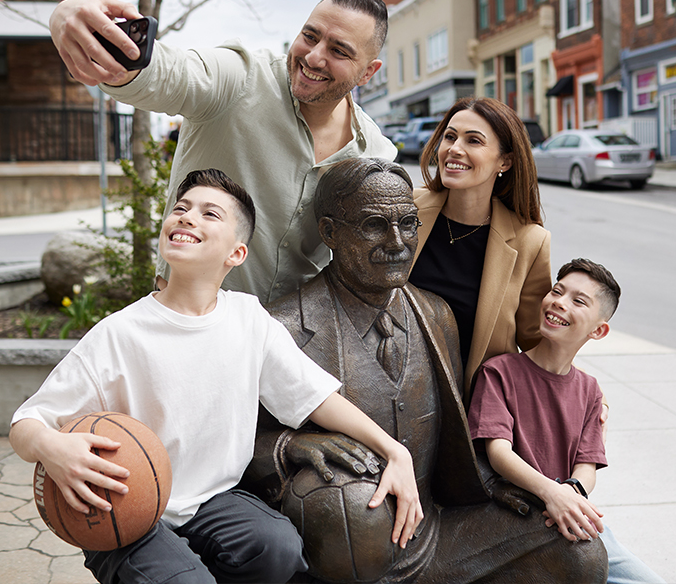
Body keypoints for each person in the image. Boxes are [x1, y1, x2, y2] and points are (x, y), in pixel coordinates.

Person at [9, 168, 422, 584]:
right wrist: (52, 448)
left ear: (236, 254)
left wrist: (394, 452)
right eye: (181, 208)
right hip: (125, 510)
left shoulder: (247, 319)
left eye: (210, 214)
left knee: (277, 549)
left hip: (210, 502)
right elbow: (27, 422)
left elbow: (316, 397)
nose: (187, 217)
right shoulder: (119, 333)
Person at [247, 159, 607, 583]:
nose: (397, 242)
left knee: (580, 554)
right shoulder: (282, 327)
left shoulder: (436, 315)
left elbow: (457, 430)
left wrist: (493, 482)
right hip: (351, 541)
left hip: (434, 530)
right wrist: (288, 446)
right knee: (351, 515)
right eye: (374, 225)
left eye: (407, 223)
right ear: (329, 232)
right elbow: (235, 440)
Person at [48, 0, 396, 302]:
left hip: (292, 337)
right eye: (310, 35)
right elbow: (170, 73)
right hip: (191, 321)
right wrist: (73, 17)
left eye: (339, 51)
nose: (314, 56)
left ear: (368, 72)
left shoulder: (374, 153)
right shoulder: (240, 78)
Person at [468, 258, 665, 583]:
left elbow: (587, 467)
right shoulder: (499, 372)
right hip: (517, 512)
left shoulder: (590, 391)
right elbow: (499, 453)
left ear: (598, 330)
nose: (559, 302)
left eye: (578, 301)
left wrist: (570, 493)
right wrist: (552, 494)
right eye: (557, 291)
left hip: (571, 512)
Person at [409, 97, 550, 399]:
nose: (454, 149)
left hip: (472, 406)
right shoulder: (406, 208)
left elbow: (536, 342)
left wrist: (584, 392)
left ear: (505, 161)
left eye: (473, 140)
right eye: (450, 136)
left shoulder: (530, 241)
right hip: (393, 400)